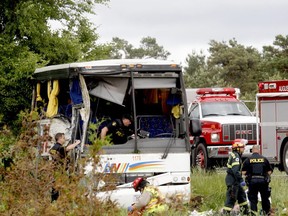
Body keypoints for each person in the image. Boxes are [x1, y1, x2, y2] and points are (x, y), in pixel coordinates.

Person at [242, 145, 273, 216]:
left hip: (252, 181)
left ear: (252, 150)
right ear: (259, 150)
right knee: (265, 198)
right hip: (263, 181)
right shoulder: (264, 159)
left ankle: (254, 213)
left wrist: (249, 174)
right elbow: (269, 171)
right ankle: (266, 213)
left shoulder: (248, 160)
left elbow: (243, 172)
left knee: (253, 199)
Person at [49, 133, 81, 202]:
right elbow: (67, 148)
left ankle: (54, 202)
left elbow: (63, 151)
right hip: (59, 171)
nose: (65, 139)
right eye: (63, 138)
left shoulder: (54, 147)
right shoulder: (59, 147)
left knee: (55, 187)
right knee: (58, 187)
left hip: (55, 170)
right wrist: (77, 143)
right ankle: (56, 202)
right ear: (60, 138)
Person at [222, 139, 249, 215]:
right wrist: (241, 180)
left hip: (235, 181)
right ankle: (225, 213)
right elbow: (235, 171)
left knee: (242, 196)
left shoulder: (235, 155)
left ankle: (245, 212)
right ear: (237, 147)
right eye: (242, 147)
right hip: (233, 181)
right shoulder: (236, 157)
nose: (244, 148)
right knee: (231, 199)